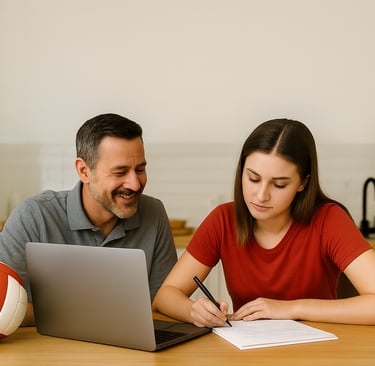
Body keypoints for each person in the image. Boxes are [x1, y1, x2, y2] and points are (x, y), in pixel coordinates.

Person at [152, 118, 375, 327]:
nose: (260, 196)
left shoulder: (329, 220)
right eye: (253, 178)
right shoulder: (222, 220)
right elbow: (165, 296)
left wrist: (293, 308)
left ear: (303, 183)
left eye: (279, 184)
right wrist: (193, 311)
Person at [0, 113, 177, 325]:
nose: (135, 184)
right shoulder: (34, 216)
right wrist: (91, 313)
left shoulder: (153, 213)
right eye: (120, 172)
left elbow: (162, 303)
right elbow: (5, 307)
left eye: (140, 169)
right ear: (84, 171)